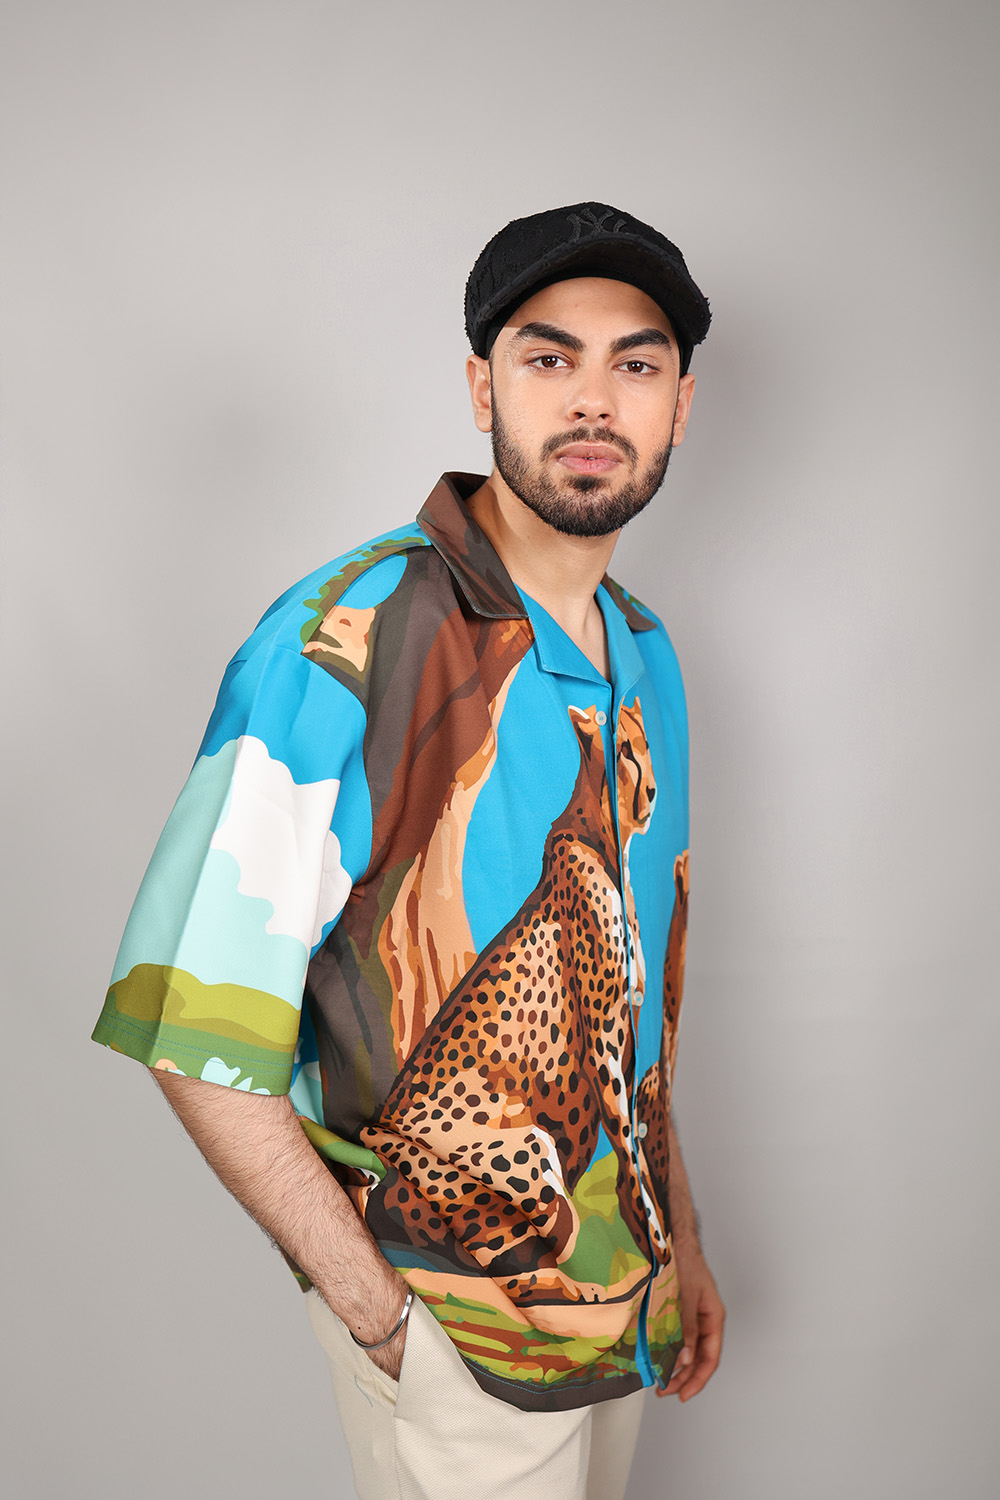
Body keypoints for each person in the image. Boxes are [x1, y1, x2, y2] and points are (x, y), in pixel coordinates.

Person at [92, 201, 725, 1500]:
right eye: (548, 357)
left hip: (626, 1310)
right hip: (453, 1337)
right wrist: (381, 1316)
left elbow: (630, 1024)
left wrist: (683, 1242)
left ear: (680, 405)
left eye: (636, 363)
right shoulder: (350, 634)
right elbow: (189, 1031)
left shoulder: (647, 650)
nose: (593, 399)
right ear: (483, 386)